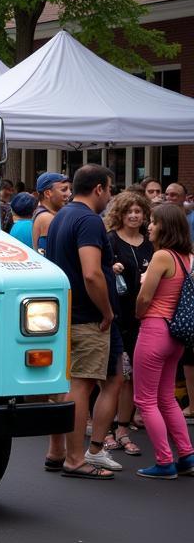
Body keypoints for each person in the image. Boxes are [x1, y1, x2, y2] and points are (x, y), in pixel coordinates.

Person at [45, 164, 122, 479]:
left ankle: (57, 451)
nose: (111, 196)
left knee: (66, 385)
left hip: (67, 314)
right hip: (87, 317)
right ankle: (75, 459)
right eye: (110, 189)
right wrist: (106, 310)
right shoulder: (89, 220)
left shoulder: (62, 215)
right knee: (81, 384)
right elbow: (91, 272)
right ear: (100, 188)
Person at [132, 203, 194, 479]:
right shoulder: (188, 257)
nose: (149, 226)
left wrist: (138, 314)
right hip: (177, 335)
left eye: (154, 222)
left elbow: (146, 297)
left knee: (144, 400)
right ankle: (187, 454)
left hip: (155, 329)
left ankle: (164, 460)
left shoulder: (162, 257)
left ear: (165, 227)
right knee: (166, 398)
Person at [104, 191, 153, 455]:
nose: (134, 216)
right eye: (129, 212)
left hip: (142, 317)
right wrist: (111, 269)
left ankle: (123, 428)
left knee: (133, 375)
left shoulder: (150, 243)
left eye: (138, 211)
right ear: (120, 215)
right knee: (114, 376)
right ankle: (107, 429)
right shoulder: (110, 240)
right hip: (115, 315)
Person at [31, 172, 70, 255]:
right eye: (64, 190)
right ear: (47, 193)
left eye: (70, 189)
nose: (69, 193)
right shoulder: (47, 218)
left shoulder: (43, 213)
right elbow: (50, 255)